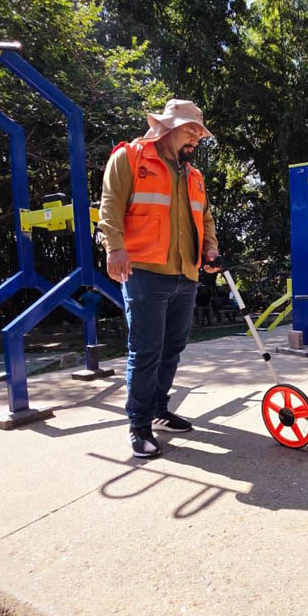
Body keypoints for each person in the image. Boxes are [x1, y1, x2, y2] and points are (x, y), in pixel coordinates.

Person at [98, 99, 220, 458]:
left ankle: (158, 409)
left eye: (199, 133)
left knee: (172, 349)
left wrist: (209, 250)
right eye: (190, 130)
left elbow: (206, 219)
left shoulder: (194, 176)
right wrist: (114, 248)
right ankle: (138, 425)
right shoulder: (130, 158)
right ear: (168, 128)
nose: (196, 138)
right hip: (145, 273)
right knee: (147, 349)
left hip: (186, 273)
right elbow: (110, 206)